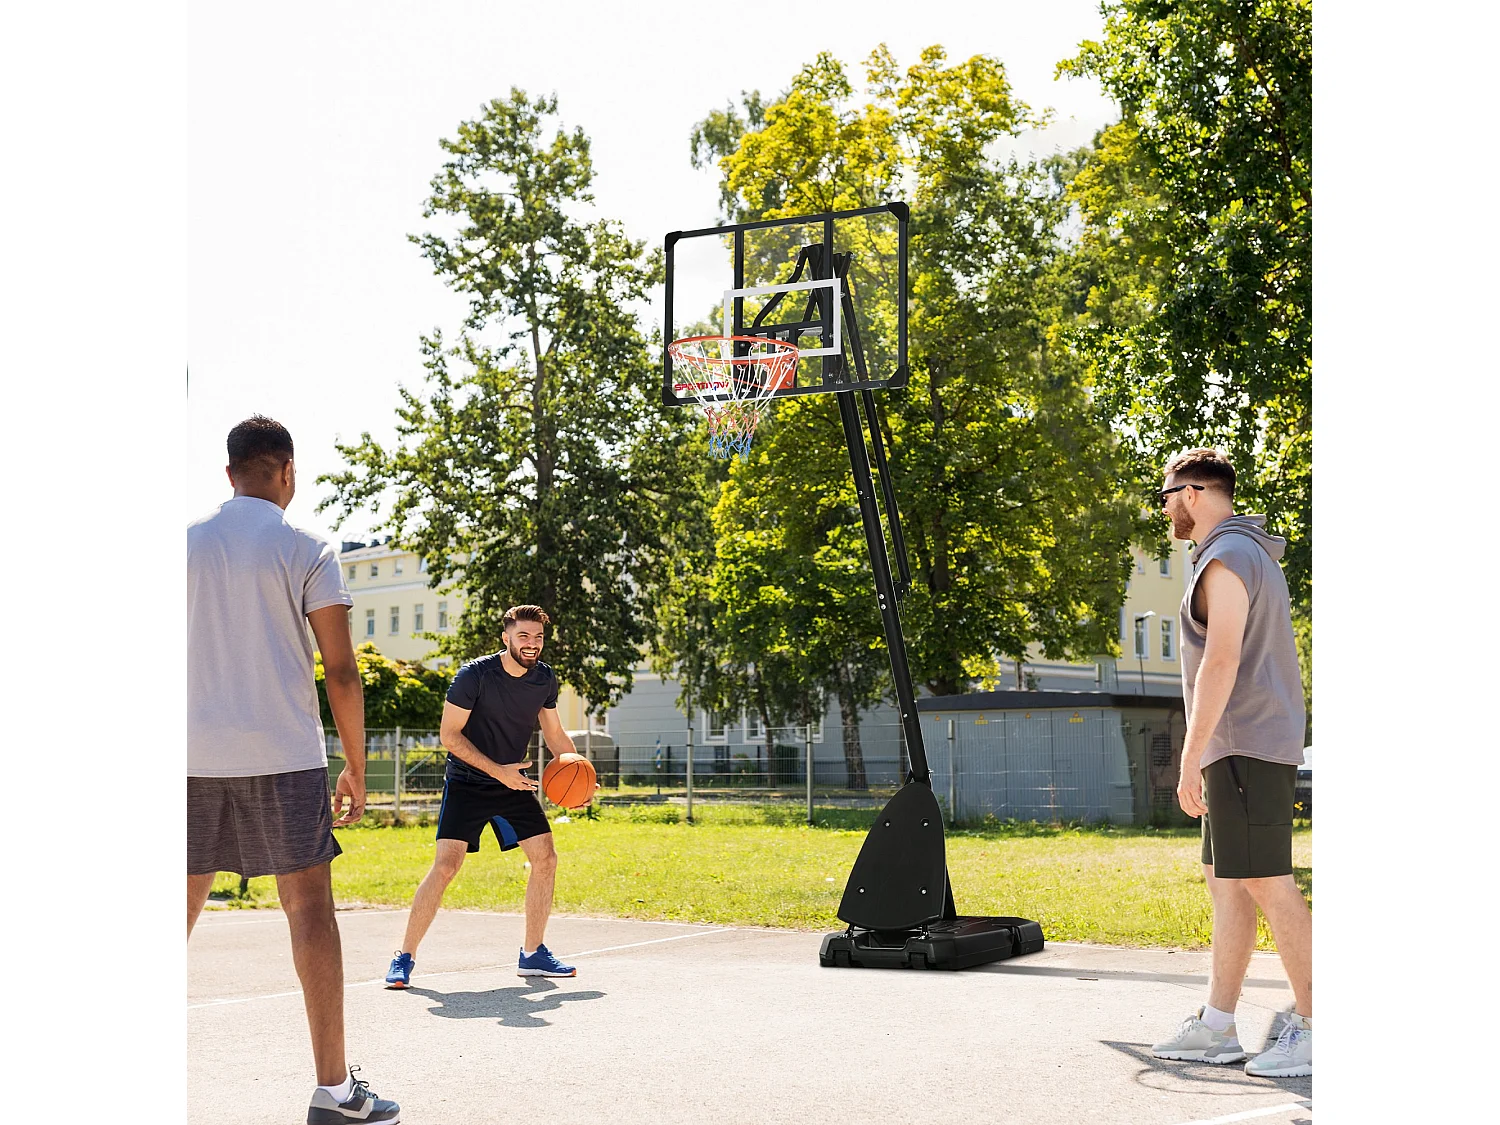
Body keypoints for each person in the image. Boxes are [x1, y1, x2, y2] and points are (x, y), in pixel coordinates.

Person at [188, 415, 400, 1124]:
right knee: (309, 908)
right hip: (283, 755)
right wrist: (357, 767)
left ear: (229, 473)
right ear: (285, 470)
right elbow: (340, 668)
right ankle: (335, 1093)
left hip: (186, 754)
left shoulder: (179, 546)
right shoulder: (309, 546)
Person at [1149, 448, 1312, 1078]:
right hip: (1239, 742)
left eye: (1164, 496)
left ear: (1192, 493)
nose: (1163, 508)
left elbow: (1221, 662)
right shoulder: (1251, 554)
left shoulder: (1226, 557)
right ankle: (1218, 1025)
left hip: (1243, 740)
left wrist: (1188, 757)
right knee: (1230, 881)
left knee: (1267, 881)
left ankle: (1318, 1023)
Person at [384, 605, 578, 988]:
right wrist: (498, 771)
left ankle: (533, 953)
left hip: (512, 781)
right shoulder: (474, 676)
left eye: (538, 637)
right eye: (523, 636)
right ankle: (403, 955)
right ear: (506, 637)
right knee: (446, 866)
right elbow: (450, 736)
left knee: (546, 858)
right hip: (468, 782)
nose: (532, 644)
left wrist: (578, 771)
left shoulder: (544, 679)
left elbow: (554, 734)